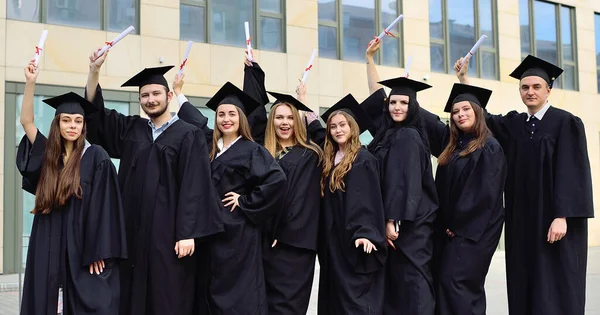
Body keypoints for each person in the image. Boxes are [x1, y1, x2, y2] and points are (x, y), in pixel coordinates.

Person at [84, 50, 224, 315]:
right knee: (131, 295)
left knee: (168, 296)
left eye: (156, 94)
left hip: (168, 236)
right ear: (140, 101)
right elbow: (96, 117)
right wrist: (94, 71)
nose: (150, 99)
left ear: (169, 96)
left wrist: (187, 233)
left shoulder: (188, 134)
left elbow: (195, 185)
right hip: (133, 235)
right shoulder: (131, 130)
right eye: (145, 96)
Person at [456, 55, 594, 315]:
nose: (530, 92)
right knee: (524, 281)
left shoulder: (566, 123)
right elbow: (482, 116)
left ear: (548, 90)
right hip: (522, 221)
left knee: (556, 283)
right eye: (525, 87)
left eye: (536, 87)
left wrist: (562, 216)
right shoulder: (515, 124)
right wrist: (464, 79)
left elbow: (573, 172)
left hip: (555, 221)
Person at [18, 60, 127, 314]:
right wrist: (30, 83)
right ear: (58, 124)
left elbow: (106, 207)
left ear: (83, 126)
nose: (72, 126)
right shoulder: (48, 155)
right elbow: (26, 121)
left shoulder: (96, 156)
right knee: (45, 296)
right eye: (66, 120)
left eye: (78, 121)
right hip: (49, 234)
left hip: (82, 242)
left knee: (91, 299)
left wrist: (100, 250)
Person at [177, 81, 287, 314]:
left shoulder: (251, 149)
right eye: (221, 114)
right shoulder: (209, 146)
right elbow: (195, 119)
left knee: (239, 292)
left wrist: (245, 201)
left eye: (232, 114)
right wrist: (178, 94)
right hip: (209, 232)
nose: (226, 119)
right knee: (210, 287)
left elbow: (276, 180)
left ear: (241, 119)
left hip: (238, 234)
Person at [420, 83, 507, 315]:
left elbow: (483, 195)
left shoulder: (489, 147)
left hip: (474, 232)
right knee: (446, 283)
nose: (460, 115)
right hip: (453, 231)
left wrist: (457, 225)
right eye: (456, 112)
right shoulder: (453, 148)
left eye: (466, 109)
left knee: (458, 284)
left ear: (478, 113)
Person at [367, 77, 438, 315]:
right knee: (398, 285)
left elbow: (404, 182)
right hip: (396, 223)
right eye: (393, 102)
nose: (397, 107)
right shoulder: (387, 134)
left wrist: (392, 220)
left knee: (412, 284)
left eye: (404, 103)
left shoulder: (408, 135)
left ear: (413, 106)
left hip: (409, 226)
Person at [317, 95, 387, 314]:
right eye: (333, 127)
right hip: (332, 242)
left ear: (352, 127)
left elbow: (366, 200)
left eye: (342, 125)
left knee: (352, 299)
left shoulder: (362, 159)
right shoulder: (331, 159)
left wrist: (365, 232)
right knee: (334, 297)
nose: (338, 130)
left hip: (352, 241)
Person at [259, 91, 323, 315]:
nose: (284, 123)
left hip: (292, 244)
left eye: (289, 118)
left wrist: (282, 232)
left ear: (297, 121)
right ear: (271, 121)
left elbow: (303, 202)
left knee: (287, 306)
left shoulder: (310, 154)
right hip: (263, 242)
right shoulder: (262, 153)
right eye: (279, 117)